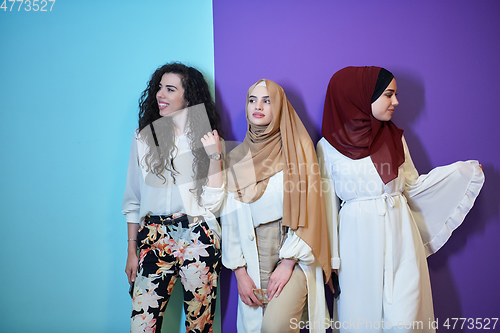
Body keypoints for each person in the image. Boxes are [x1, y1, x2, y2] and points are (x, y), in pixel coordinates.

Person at [317, 66, 485, 332]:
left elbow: (412, 186)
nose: (396, 102)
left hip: (401, 237)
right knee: (362, 321)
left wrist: (461, 173)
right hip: (357, 244)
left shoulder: (393, 137)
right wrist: (332, 261)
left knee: (406, 319)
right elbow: (327, 208)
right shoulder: (328, 147)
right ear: (361, 96)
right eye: (388, 95)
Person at [221, 79, 333, 333]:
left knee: (275, 327)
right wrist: (240, 274)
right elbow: (230, 220)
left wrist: (287, 264)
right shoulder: (236, 158)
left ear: (279, 106)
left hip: (292, 251)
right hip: (252, 257)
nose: (257, 106)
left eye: (267, 100)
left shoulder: (298, 149)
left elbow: (311, 210)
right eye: (252, 100)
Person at [122, 62, 225, 333]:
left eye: (170, 89)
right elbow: (133, 198)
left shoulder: (208, 140)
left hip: (197, 234)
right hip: (153, 235)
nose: (160, 95)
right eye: (159, 88)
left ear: (188, 96)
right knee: (142, 325)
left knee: (199, 327)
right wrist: (132, 251)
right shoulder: (143, 138)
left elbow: (214, 204)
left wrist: (215, 155)